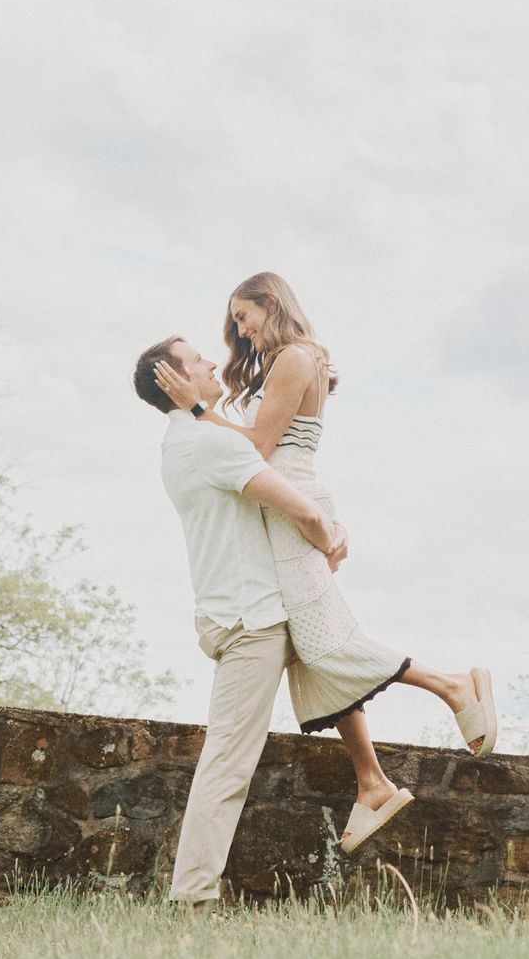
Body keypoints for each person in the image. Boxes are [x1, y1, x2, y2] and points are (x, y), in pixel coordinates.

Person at [150, 272, 495, 855]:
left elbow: (257, 448)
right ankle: (371, 782)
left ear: (270, 303)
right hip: (283, 509)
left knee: (327, 645)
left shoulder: (294, 358)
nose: (238, 330)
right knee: (314, 650)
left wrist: (199, 407)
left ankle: (451, 685)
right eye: (233, 323)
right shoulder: (283, 362)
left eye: (242, 316)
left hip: (291, 509)